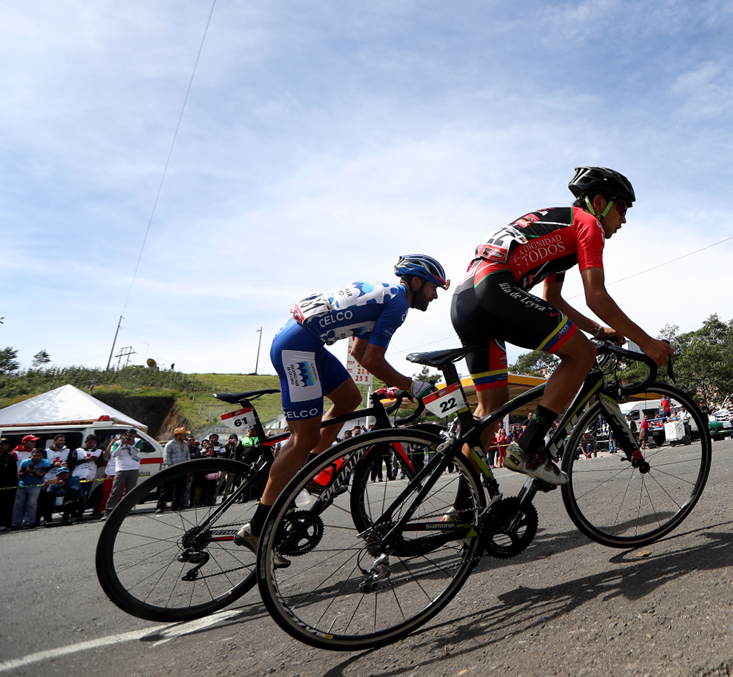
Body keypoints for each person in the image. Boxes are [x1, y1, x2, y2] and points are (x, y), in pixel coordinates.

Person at [450, 167, 672, 485]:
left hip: (466, 299)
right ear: (599, 202)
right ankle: (527, 448)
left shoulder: (560, 227)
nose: (624, 219)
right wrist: (647, 342)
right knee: (581, 355)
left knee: (489, 408)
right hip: (494, 289)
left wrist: (597, 330)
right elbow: (596, 297)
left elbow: (552, 299)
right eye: (622, 208)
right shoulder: (588, 226)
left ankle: (463, 508)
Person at [236, 254, 449, 562]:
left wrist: (394, 382)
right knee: (302, 438)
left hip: (304, 342)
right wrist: (411, 385)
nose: (435, 295)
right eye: (433, 288)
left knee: (348, 400)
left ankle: (311, 469)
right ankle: (258, 528)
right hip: (299, 350)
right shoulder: (399, 303)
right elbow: (374, 360)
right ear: (416, 282)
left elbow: (362, 354)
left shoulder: (386, 293)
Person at [102, 431, 143, 519]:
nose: (129, 438)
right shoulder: (117, 443)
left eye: (131, 437)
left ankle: (126, 510)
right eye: (128, 436)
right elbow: (114, 454)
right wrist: (121, 445)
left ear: (135, 436)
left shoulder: (138, 441)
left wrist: (131, 444)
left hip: (133, 468)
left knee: (130, 491)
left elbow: (134, 454)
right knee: (116, 491)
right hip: (121, 469)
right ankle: (109, 511)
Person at [13, 448, 51, 528]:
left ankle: (29, 522)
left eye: (38, 456)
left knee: (32, 504)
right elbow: (20, 475)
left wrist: (34, 472)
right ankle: (15, 523)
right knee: (18, 505)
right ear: (31, 456)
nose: (36, 457)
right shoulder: (24, 462)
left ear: (42, 456)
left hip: (36, 486)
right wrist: (26, 472)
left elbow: (41, 476)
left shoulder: (46, 463)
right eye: (34, 456)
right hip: (23, 485)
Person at [156, 428, 191, 513]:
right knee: (167, 489)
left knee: (180, 488)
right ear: (178, 435)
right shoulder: (170, 444)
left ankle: (175, 505)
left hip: (182, 470)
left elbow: (187, 456)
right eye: (183, 434)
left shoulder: (185, 444)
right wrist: (170, 466)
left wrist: (189, 466)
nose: (185, 436)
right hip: (172, 469)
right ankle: (160, 506)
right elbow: (166, 456)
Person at [69, 435, 103, 519]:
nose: (92, 444)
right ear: (86, 442)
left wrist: (96, 460)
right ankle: (73, 513)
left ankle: (80, 514)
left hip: (89, 476)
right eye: (90, 442)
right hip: (77, 476)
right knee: (75, 495)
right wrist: (84, 460)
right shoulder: (78, 450)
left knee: (85, 496)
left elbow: (100, 463)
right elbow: (71, 462)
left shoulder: (99, 451)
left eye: (94, 443)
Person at [0, 438, 17, 530]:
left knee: (6, 505)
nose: (3, 446)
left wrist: (7, 484)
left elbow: (12, 471)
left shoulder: (10, 457)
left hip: (7, 485)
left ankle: (5, 524)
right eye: (1, 444)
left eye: (5, 445)